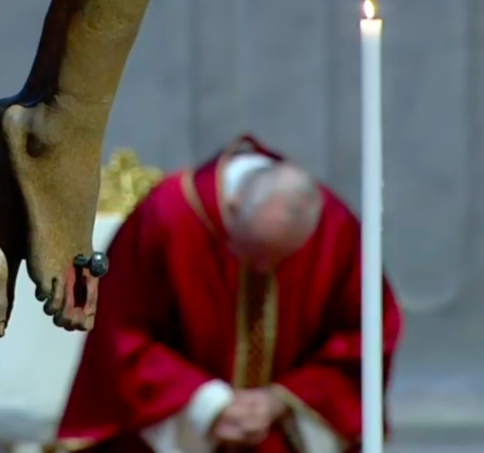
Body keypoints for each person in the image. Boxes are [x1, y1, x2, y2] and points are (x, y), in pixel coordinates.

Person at [55, 135, 403, 453]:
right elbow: (120, 337)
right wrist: (212, 404)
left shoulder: (333, 227)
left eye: (283, 259)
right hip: (178, 419)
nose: (265, 270)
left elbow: (367, 336)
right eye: (255, 254)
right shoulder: (167, 217)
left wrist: (280, 399)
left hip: (282, 426)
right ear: (232, 208)